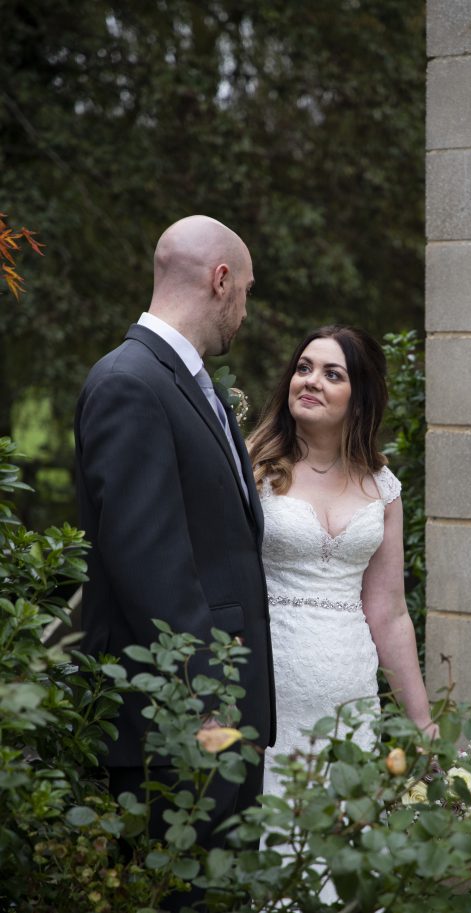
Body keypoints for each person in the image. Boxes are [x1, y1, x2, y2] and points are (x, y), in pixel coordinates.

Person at [74, 215, 276, 851]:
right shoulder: (130, 383)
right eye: (246, 291)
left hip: (218, 720)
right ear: (221, 280)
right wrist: (207, 704)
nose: (245, 310)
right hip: (181, 728)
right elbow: (149, 565)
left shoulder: (184, 381)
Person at [248, 325, 435, 796]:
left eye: (332, 374)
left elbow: (389, 613)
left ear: (360, 397)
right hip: (268, 689)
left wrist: (422, 723)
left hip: (351, 694)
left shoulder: (382, 487)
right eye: (304, 368)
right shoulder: (252, 468)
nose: (311, 381)